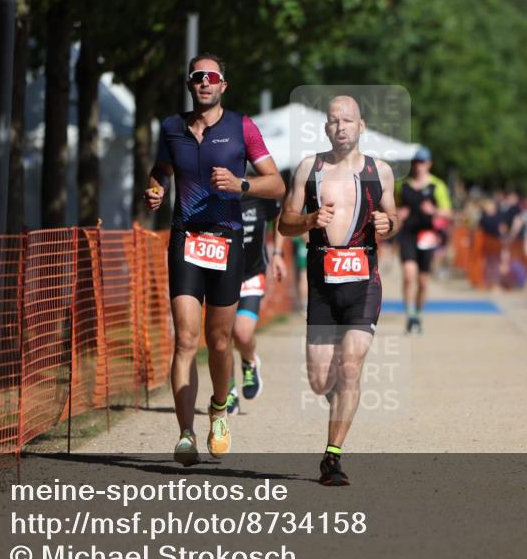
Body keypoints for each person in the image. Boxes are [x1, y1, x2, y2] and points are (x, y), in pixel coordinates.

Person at [144, 53, 285, 466]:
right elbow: (160, 172)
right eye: (197, 77)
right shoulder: (171, 128)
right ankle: (186, 434)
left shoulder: (243, 127)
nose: (204, 83)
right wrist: (153, 190)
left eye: (212, 77)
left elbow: (276, 184)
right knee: (186, 339)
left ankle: (219, 411)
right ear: (190, 85)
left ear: (224, 85)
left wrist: (242, 183)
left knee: (219, 341)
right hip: (186, 238)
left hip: (227, 241)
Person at [277, 95, 399, 486]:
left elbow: (392, 216)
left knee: (351, 367)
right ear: (326, 128)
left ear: (361, 125)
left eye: (348, 120)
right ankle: (339, 403)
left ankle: (332, 457)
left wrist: (388, 225)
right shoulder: (309, 169)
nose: (341, 126)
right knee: (319, 380)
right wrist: (309, 219)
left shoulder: (379, 171)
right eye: (334, 121)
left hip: (364, 278)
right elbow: (285, 223)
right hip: (322, 280)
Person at [225, 173, 289, 414]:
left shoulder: (260, 194)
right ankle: (228, 390)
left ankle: (249, 361)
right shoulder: (216, 190)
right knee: (222, 338)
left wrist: (277, 255)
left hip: (252, 273)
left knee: (241, 334)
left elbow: (281, 216)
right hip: (220, 274)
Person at [395, 147, 452, 334]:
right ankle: (409, 315)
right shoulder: (402, 185)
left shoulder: (438, 186)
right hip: (408, 235)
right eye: (416, 162)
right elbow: (391, 209)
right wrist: (397, 215)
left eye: (423, 162)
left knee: (423, 281)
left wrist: (434, 211)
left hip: (427, 235)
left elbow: (448, 212)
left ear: (429, 164)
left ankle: (418, 315)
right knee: (408, 275)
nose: (419, 166)